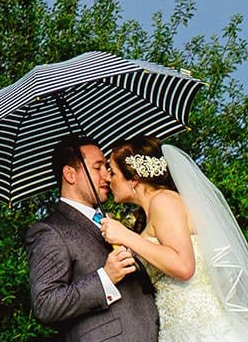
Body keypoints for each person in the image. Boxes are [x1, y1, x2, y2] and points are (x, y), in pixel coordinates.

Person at [100, 138, 248, 342]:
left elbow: (184, 266)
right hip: (179, 329)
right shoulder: (150, 212)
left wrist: (127, 236)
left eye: (112, 171)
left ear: (134, 178)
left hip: (205, 329)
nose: (107, 179)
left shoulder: (164, 201)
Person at [24, 134, 160, 341]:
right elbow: (45, 304)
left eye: (106, 167)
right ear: (70, 174)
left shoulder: (112, 221)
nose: (107, 175)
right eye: (98, 168)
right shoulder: (49, 231)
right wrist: (106, 277)